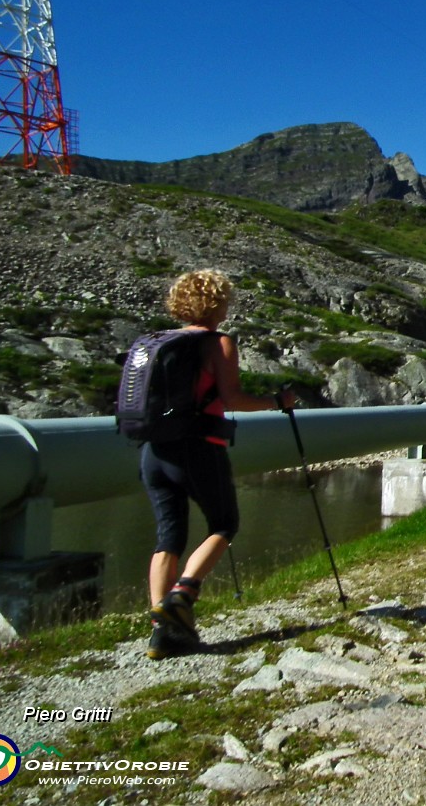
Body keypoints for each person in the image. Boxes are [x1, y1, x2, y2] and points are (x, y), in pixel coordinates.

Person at [142, 268, 295, 660]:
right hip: (198, 447)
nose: (228, 305)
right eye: (225, 298)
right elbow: (232, 399)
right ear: (215, 303)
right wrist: (278, 402)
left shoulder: (159, 343)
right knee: (224, 524)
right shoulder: (218, 343)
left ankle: (163, 631)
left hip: (152, 451)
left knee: (168, 537)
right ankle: (183, 594)